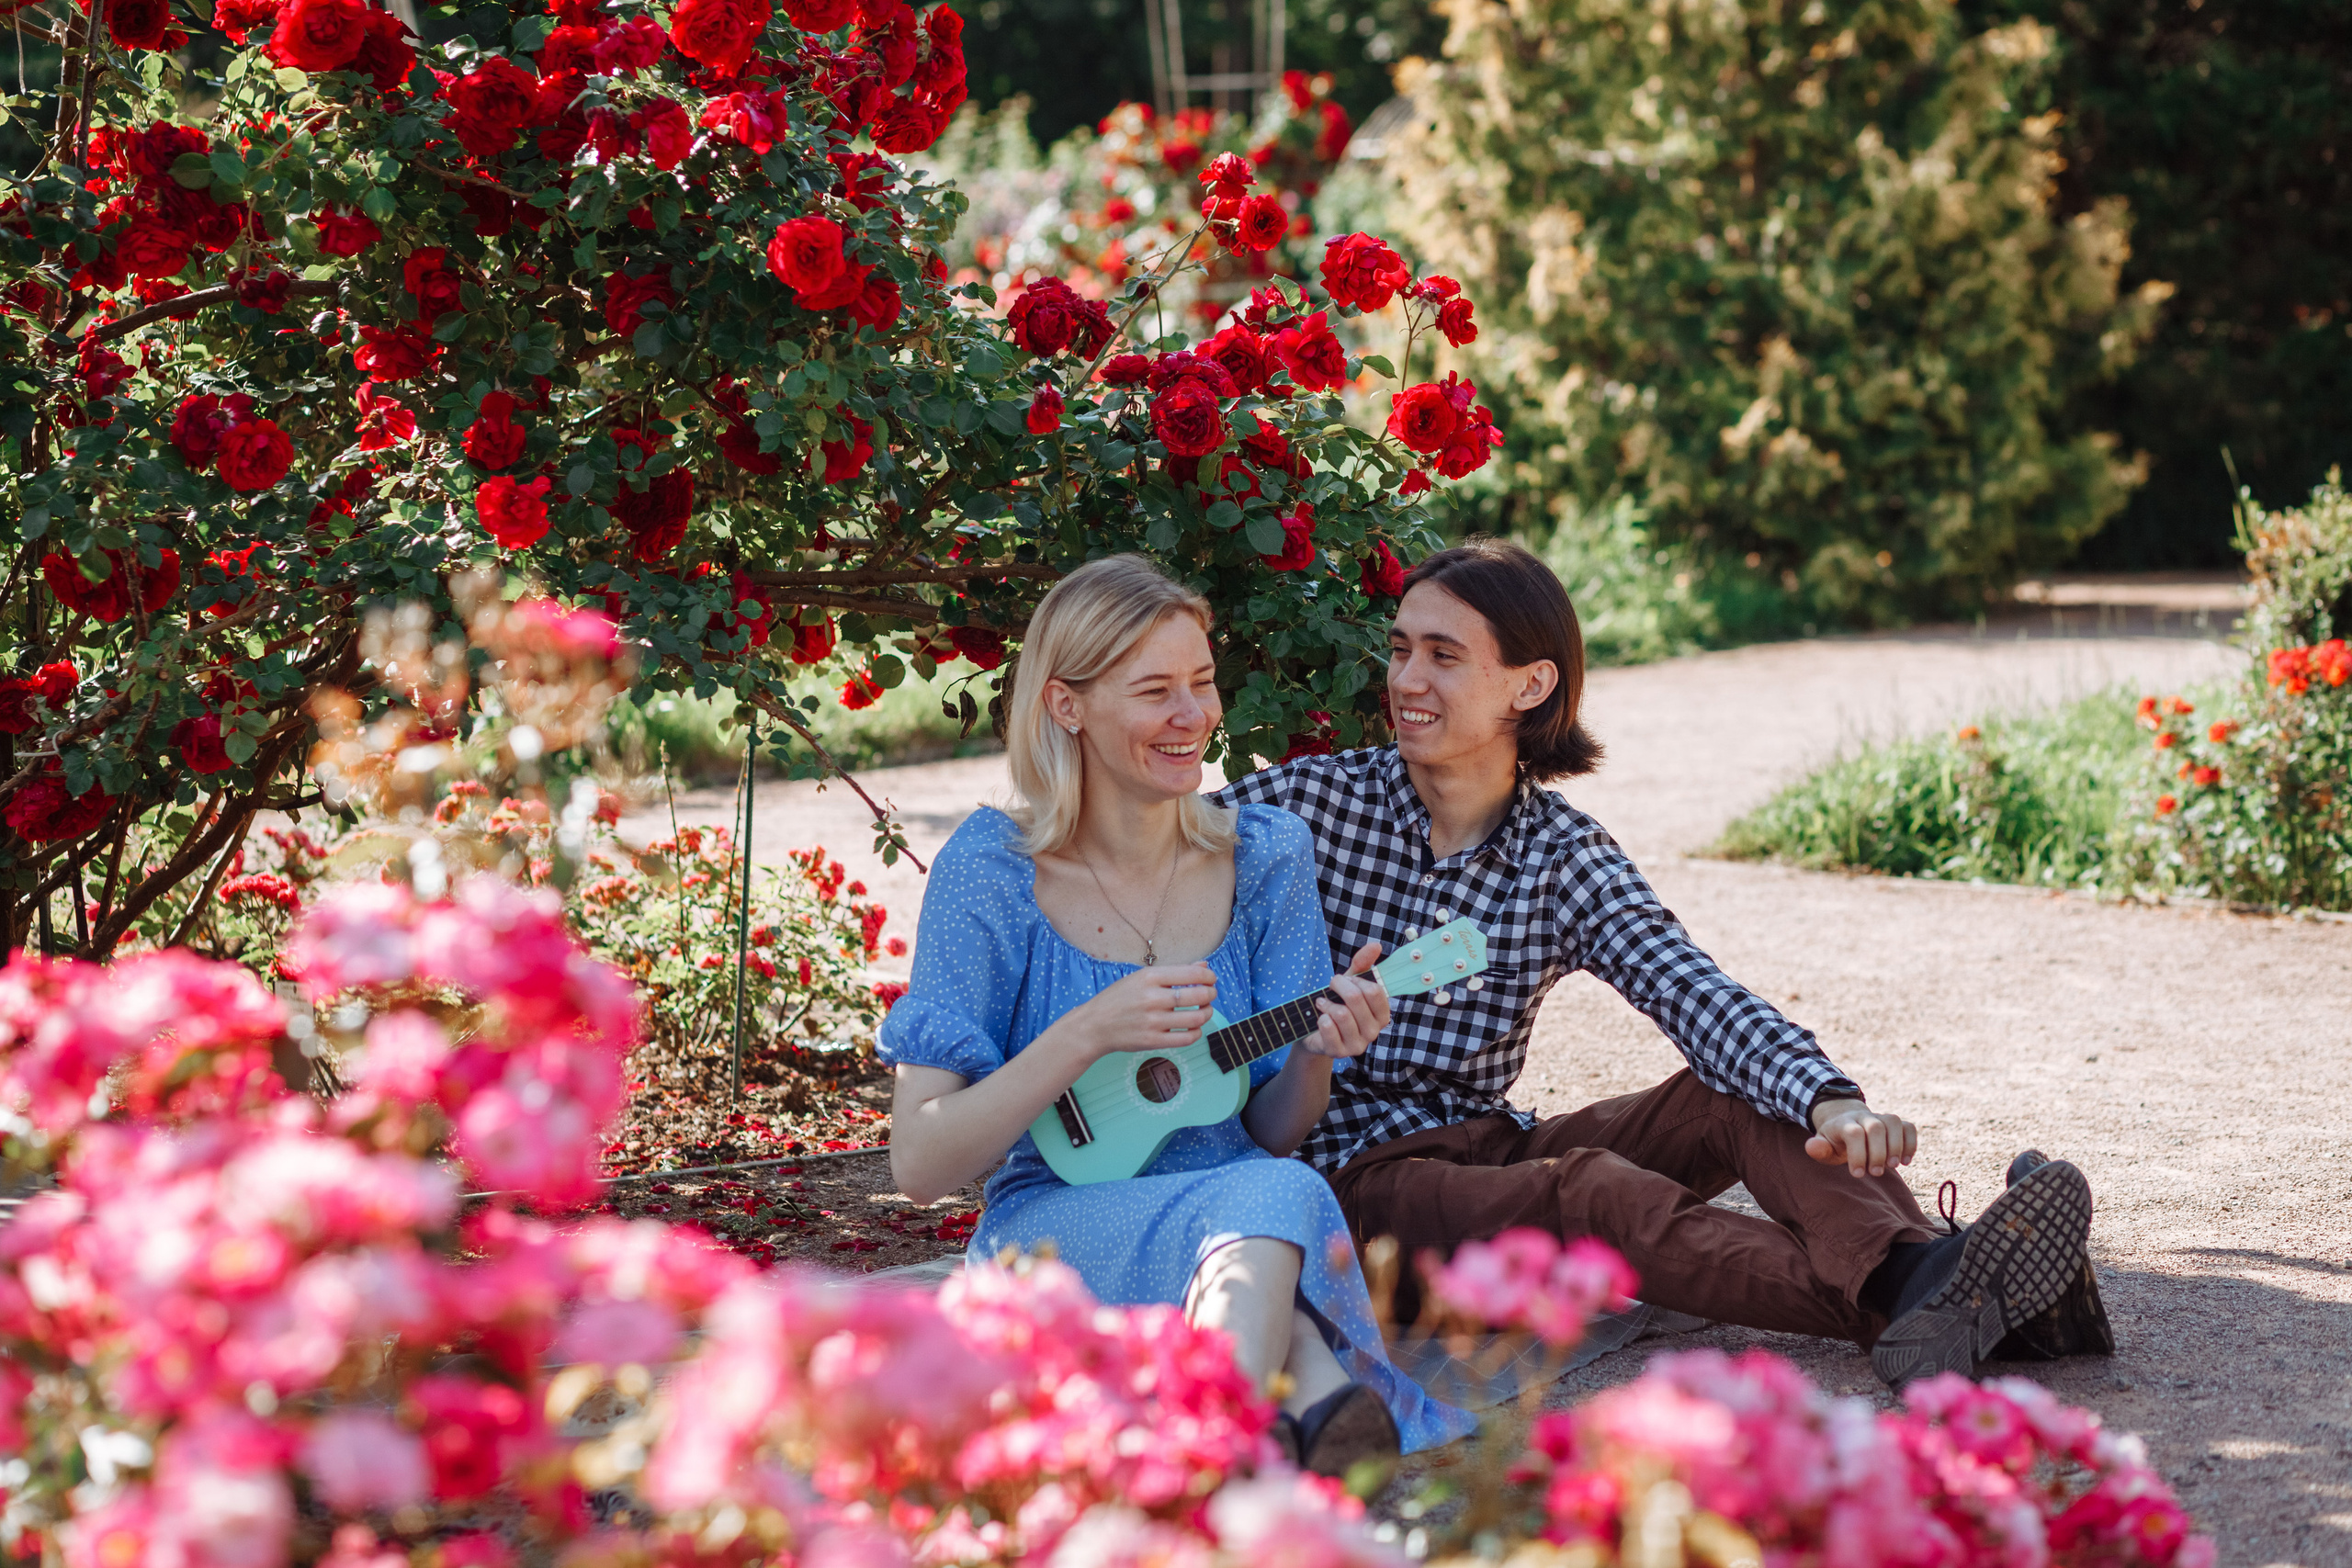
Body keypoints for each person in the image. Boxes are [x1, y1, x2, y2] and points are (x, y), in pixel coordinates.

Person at [1212, 539, 2112, 1389]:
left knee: (1736, 1092)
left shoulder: (1561, 856)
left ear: (1530, 685)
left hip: (1489, 1146)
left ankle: (1938, 1289)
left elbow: (1691, 990)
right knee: (1594, 1197)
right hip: (1356, 1191)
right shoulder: (1310, 802)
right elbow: (1158, 850)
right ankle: (1940, 1290)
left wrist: (1829, 1098)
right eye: (1401, 649)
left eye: (1443, 656)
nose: (1406, 679)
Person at [878, 555, 1476, 1478]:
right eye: (1155, 690)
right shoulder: (993, 870)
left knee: (1273, 1185)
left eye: (1202, 681)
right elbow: (920, 1165)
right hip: (1056, 1233)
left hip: (1240, 1217)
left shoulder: (1266, 856)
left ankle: (1232, 1453)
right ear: (1067, 704)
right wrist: (1088, 1030)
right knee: (1279, 1203)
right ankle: (1281, 1424)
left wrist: (1316, 1053)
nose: (1194, 714)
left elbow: (1272, 1131)